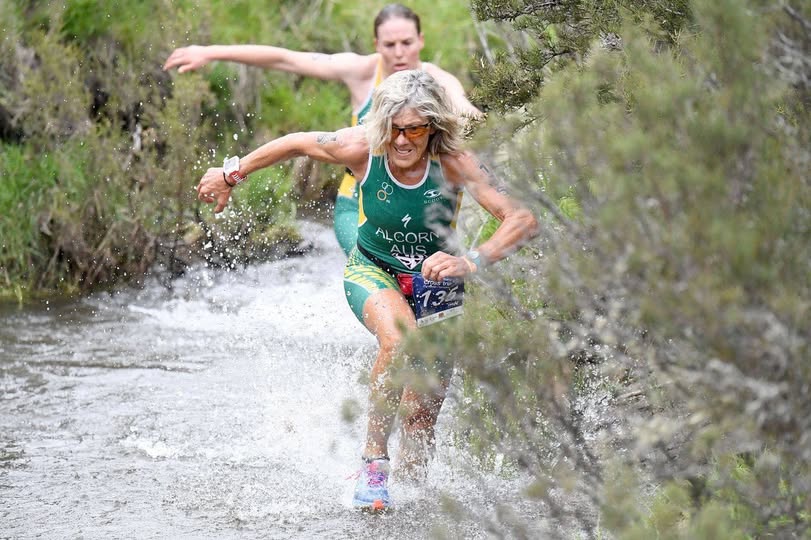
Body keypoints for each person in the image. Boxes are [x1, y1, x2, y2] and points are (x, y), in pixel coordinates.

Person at [195, 70, 537, 511]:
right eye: (393, 128)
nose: (401, 141)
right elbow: (297, 141)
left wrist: (470, 260)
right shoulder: (362, 148)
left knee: (422, 412)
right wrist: (231, 173)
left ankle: (412, 500)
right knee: (399, 341)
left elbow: (522, 218)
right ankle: (374, 465)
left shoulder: (454, 162)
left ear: (432, 126)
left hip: (439, 286)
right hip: (373, 269)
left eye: (413, 129)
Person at [164, 3, 482, 257]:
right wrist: (211, 52)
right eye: (390, 44)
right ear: (376, 45)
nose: (399, 52)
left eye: (407, 43)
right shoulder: (361, 71)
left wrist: (476, 122)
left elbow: (465, 109)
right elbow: (286, 59)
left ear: (421, 42)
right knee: (376, 266)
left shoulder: (437, 80)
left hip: (420, 199)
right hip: (359, 195)